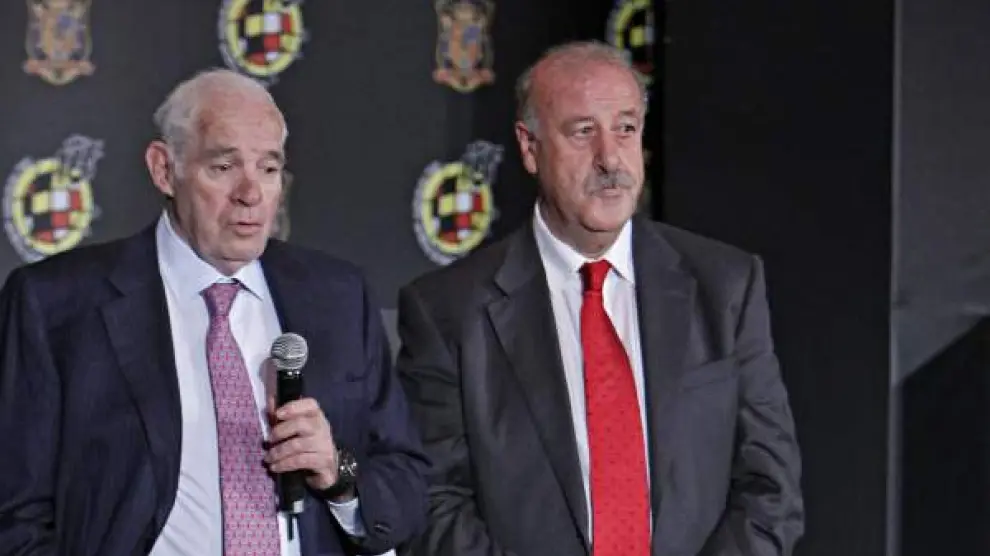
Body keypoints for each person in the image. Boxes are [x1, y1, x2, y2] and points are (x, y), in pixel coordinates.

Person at [395, 41, 804, 556]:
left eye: (626, 128)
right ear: (529, 147)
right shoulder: (448, 311)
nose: (610, 158)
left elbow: (770, 490)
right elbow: (434, 502)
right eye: (583, 132)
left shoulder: (725, 286)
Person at [0, 69, 428, 555]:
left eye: (268, 169)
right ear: (164, 169)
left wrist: (337, 473)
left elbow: (407, 482)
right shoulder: (57, 304)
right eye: (223, 167)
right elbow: (15, 515)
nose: (251, 193)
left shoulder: (338, 297)